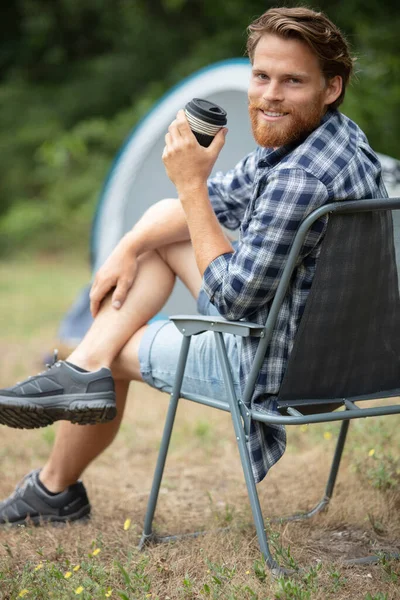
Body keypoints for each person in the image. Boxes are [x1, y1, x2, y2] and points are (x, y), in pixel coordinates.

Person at [0, 6, 388, 525]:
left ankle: (52, 487)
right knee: (163, 239)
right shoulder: (338, 143)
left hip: (282, 372)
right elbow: (216, 200)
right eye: (262, 76)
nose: (271, 95)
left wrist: (187, 185)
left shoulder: (299, 179)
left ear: (331, 87)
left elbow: (234, 298)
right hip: (352, 359)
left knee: (114, 353)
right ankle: (83, 369)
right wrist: (130, 246)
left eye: (293, 81)